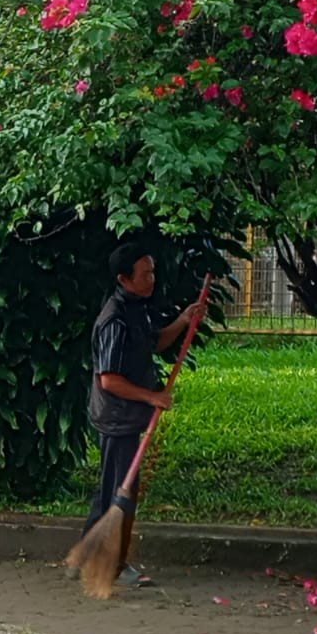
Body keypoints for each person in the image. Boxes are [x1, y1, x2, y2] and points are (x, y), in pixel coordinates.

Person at [83, 242, 207, 588]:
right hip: (117, 417)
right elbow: (109, 380)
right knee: (120, 491)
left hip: (127, 414)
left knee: (115, 487)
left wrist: (184, 320)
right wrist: (152, 397)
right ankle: (111, 563)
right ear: (124, 279)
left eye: (152, 271)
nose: (152, 278)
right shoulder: (114, 320)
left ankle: (92, 556)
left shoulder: (137, 308)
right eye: (145, 274)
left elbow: (154, 343)